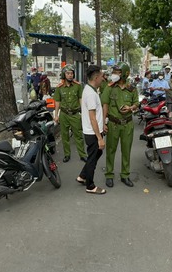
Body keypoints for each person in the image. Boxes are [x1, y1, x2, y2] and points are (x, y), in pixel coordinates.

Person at [101, 62, 139, 188]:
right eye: (114, 72)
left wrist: (130, 108)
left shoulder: (132, 89)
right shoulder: (109, 87)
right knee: (110, 150)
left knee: (126, 150)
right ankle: (109, 175)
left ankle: (125, 175)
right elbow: (105, 105)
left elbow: (136, 104)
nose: (114, 75)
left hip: (127, 124)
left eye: (116, 72)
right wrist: (103, 123)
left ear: (124, 74)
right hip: (113, 124)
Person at [77, 65, 106, 195]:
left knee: (95, 155)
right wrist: (99, 138)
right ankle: (90, 186)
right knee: (92, 159)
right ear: (95, 77)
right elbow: (92, 118)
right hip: (92, 133)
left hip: (93, 131)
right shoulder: (90, 94)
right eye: (101, 76)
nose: (103, 79)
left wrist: (102, 126)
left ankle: (82, 176)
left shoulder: (90, 90)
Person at [53, 65, 87, 163]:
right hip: (64, 114)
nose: (70, 75)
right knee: (65, 136)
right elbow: (57, 102)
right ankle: (67, 154)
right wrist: (56, 115)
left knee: (78, 135)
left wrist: (84, 113)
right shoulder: (59, 88)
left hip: (75, 114)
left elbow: (81, 99)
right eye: (68, 73)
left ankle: (82, 154)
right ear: (64, 74)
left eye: (71, 73)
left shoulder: (78, 86)